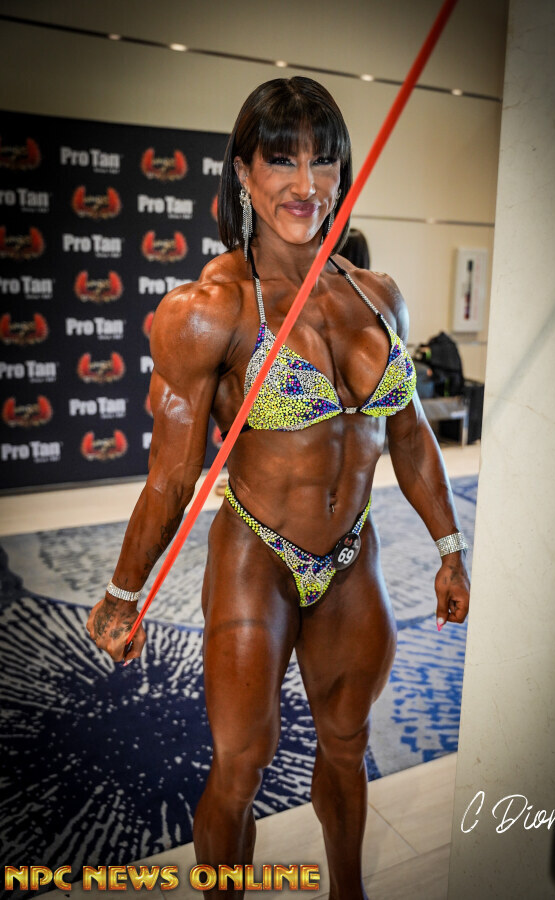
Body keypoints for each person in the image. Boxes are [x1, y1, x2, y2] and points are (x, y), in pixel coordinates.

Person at [86, 76, 470, 900]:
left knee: (346, 746)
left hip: (352, 556)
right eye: (281, 160)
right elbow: (172, 476)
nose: (306, 184)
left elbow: (409, 434)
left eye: (322, 161)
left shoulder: (378, 297)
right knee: (241, 765)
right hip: (256, 553)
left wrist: (449, 548)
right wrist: (123, 593)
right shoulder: (208, 309)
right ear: (243, 172)